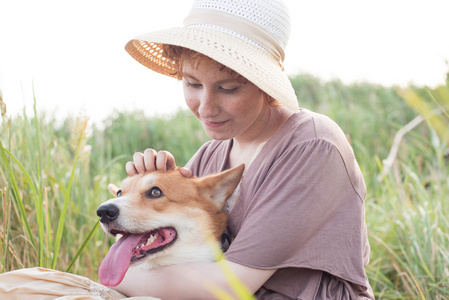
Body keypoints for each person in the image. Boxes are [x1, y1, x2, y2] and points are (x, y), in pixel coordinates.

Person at [114, 0, 375, 299]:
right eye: (192, 83)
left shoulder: (312, 146)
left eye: (228, 89)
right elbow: (165, 251)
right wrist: (147, 189)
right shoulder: (210, 154)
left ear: (266, 85)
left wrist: (116, 278)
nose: (206, 107)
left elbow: (230, 286)